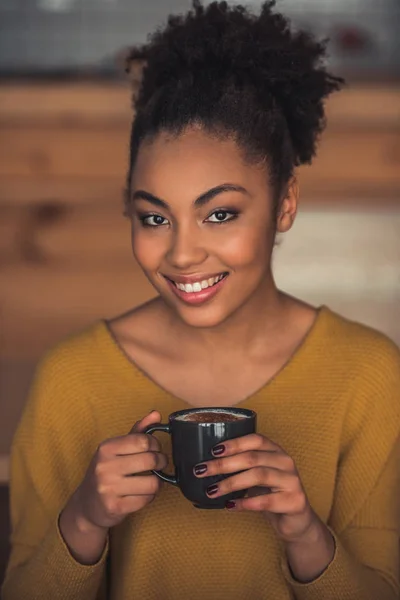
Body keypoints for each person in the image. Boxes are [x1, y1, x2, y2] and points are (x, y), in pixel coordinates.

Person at [2, 2, 399, 599]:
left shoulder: (371, 376)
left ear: (284, 202)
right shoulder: (71, 379)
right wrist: (83, 520)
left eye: (220, 214)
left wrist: (304, 535)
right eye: (153, 217)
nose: (182, 255)